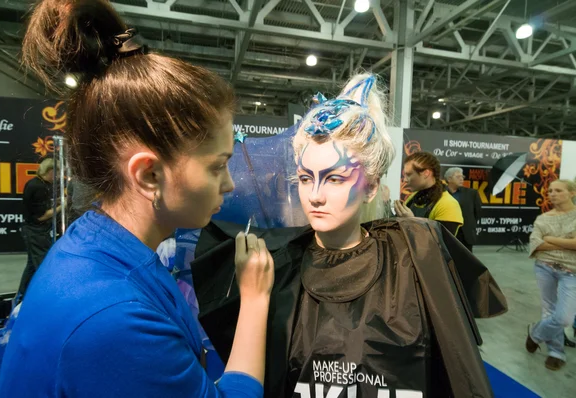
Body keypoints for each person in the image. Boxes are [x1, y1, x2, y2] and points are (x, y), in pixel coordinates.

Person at [0, 1, 274, 397]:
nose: (229, 184)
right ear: (149, 175)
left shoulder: (97, 244)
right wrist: (255, 298)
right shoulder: (113, 319)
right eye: (217, 166)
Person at [192, 74, 507, 397]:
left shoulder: (416, 255)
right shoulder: (275, 266)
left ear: (371, 187)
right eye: (304, 178)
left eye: (335, 179)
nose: (314, 195)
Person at [527, 179, 576, 370]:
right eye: (550, 190)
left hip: (571, 272)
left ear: (572, 193)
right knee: (548, 310)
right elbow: (536, 244)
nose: (552, 194)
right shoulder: (543, 218)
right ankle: (556, 352)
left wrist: (550, 239)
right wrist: (567, 242)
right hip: (544, 267)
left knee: (564, 318)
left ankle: (535, 334)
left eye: (558, 190)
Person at [16, 158, 59, 299]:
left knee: (31, 265)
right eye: (56, 173)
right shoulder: (38, 187)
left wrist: (56, 202)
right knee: (42, 264)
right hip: (35, 230)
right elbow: (41, 216)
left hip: (34, 229)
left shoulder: (39, 184)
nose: (58, 176)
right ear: (50, 171)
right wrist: (62, 206)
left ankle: (22, 295)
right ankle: (45, 297)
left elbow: (43, 206)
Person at [394, 151, 464, 236]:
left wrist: (412, 222)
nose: (405, 180)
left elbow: (441, 244)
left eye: (408, 175)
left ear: (426, 173)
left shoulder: (448, 204)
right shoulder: (414, 197)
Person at [445, 167, 482, 252]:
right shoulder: (441, 193)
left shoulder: (472, 193)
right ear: (449, 179)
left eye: (462, 177)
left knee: (466, 261)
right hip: (447, 232)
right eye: (458, 177)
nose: (461, 179)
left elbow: (477, 212)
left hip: (466, 233)